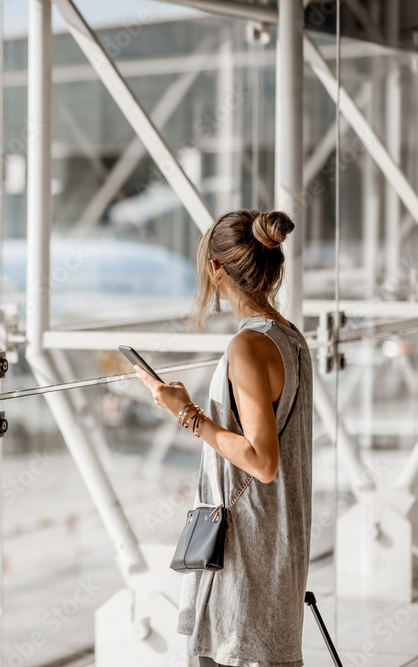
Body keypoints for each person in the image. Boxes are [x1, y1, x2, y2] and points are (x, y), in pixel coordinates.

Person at [134, 209, 313, 667]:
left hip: (246, 549)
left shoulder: (248, 345)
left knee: (234, 654)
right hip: (276, 538)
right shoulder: (291, 338)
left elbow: (261, 460)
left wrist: (187, 414)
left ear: (216, 270)